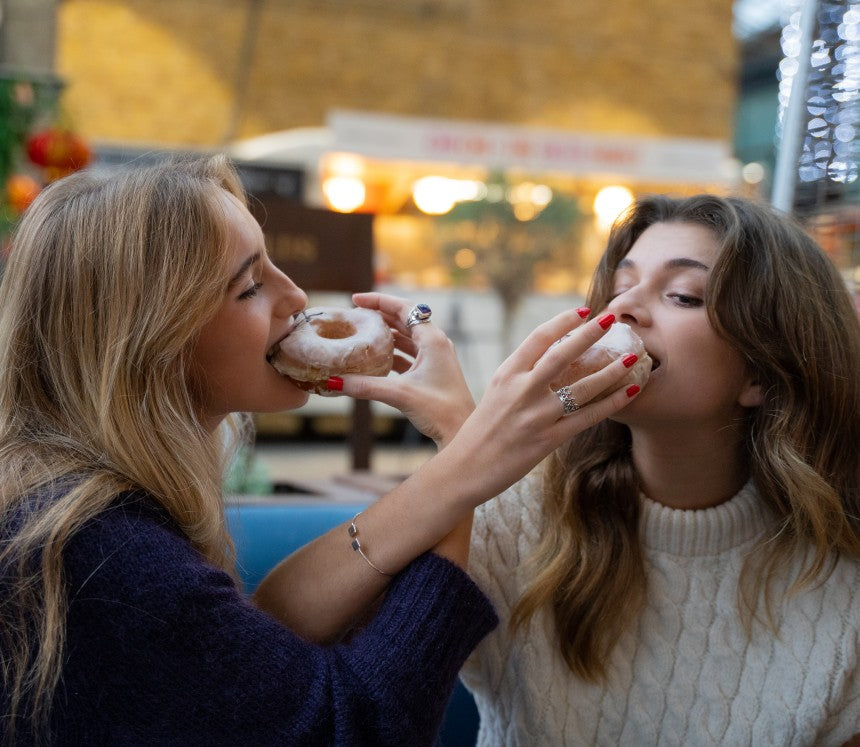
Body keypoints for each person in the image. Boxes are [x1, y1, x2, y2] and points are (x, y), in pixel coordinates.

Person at [0, 155, 642, 745]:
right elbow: (352, 726)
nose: (296, 297)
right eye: (249, 288)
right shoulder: (96, 555)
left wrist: (459, 461)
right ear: (151, 341)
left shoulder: (67, 510)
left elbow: (269, 626)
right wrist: (467, 462)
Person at [458, 193, 860, 745]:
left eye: (683, 295)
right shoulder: (509, 515)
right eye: (620, 288)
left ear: (762, 376)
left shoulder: (839, 581)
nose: (620, 310)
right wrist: (461, 455)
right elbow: (311, 669)